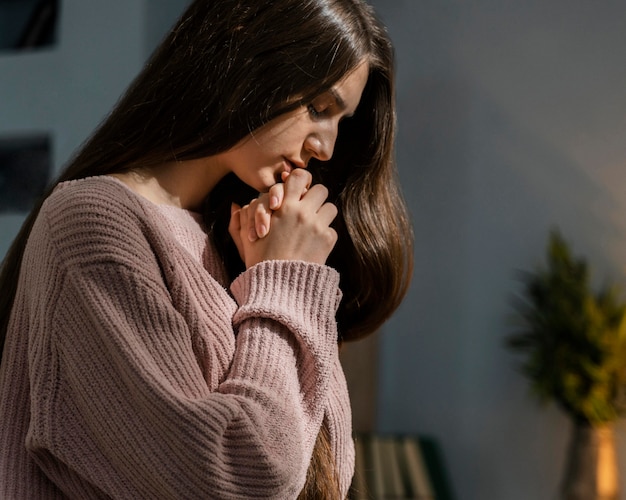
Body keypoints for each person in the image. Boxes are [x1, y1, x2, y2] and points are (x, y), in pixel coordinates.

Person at [0, 0, 413, 498]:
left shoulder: (248, 244)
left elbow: (325, 472)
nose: (325, 147)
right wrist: (284, 277)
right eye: (318, 108)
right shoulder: (92, 224)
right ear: (246, 52)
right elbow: (241, 476)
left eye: (340, 123)